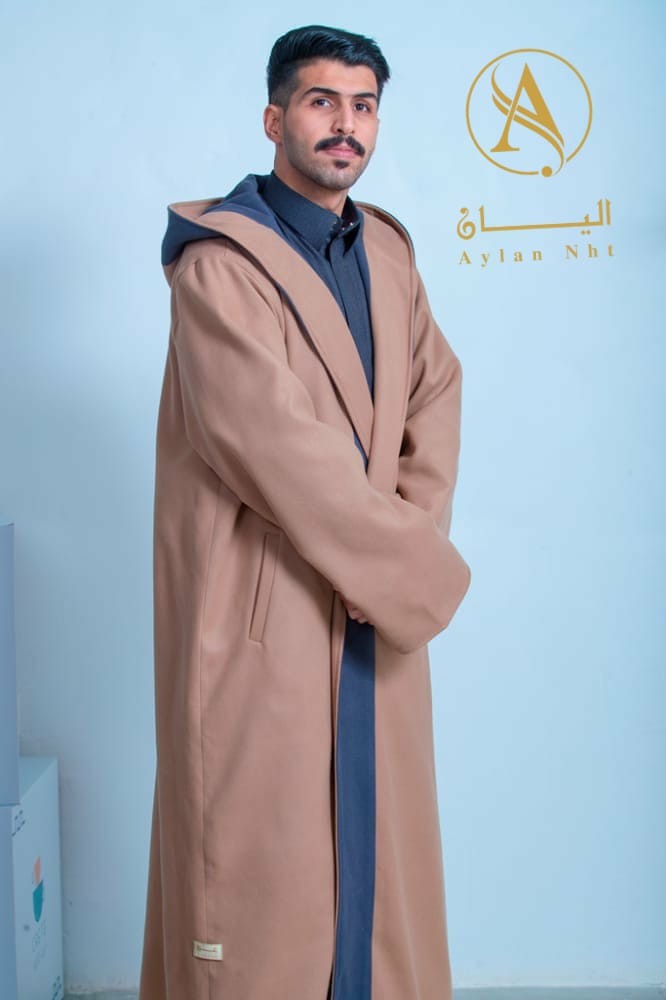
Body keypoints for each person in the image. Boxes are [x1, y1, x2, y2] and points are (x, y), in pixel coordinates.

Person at [138, 24, 471, 1000]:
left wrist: (403, 547)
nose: (345, 125)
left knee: (381, 867)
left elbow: (435, 394)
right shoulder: (220, 266)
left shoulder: (388, 254)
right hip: (266, 605)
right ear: (275, 117)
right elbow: (270, 441)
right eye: (323, 102)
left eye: (364, 106)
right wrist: (397, 569)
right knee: (262, 866)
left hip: (371, 602)